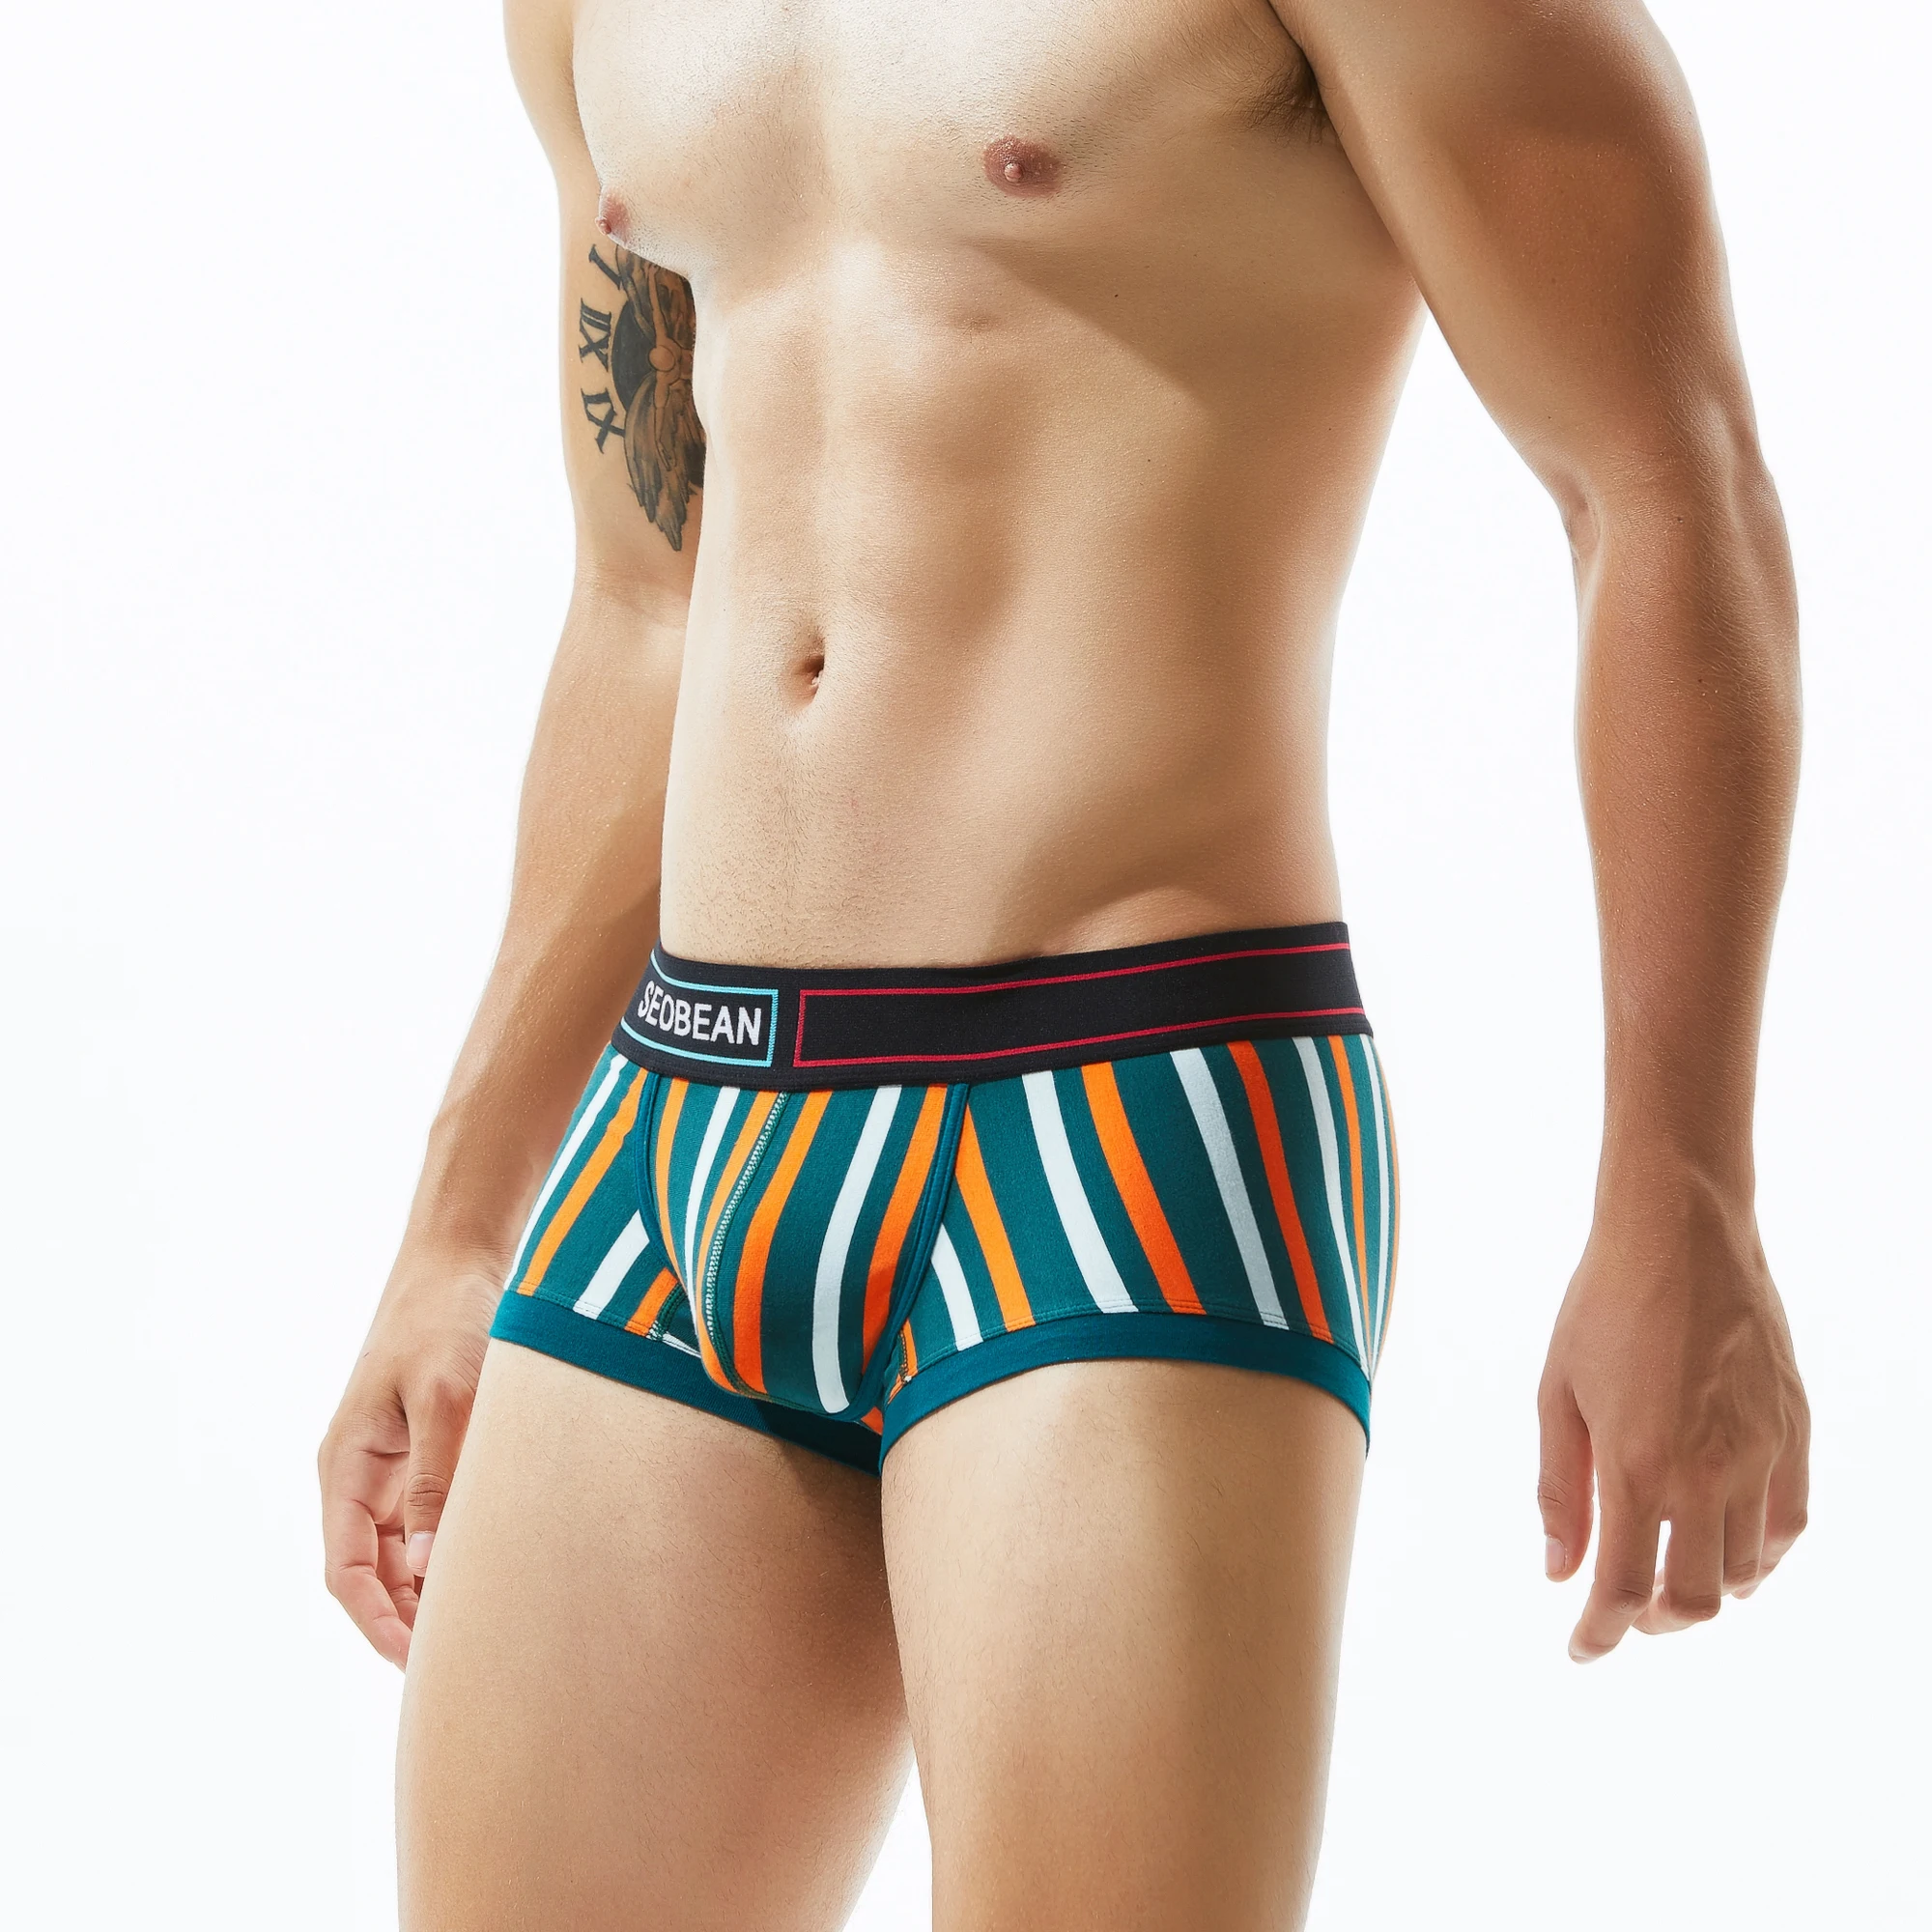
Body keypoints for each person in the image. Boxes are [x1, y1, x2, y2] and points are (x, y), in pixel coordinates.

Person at [319, 0, 1811, 1922]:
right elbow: (643, 593)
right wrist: (458, 1218)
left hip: (1118, 1112)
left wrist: (1684, 1188)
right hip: (679, 1125)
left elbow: (1663, 484)